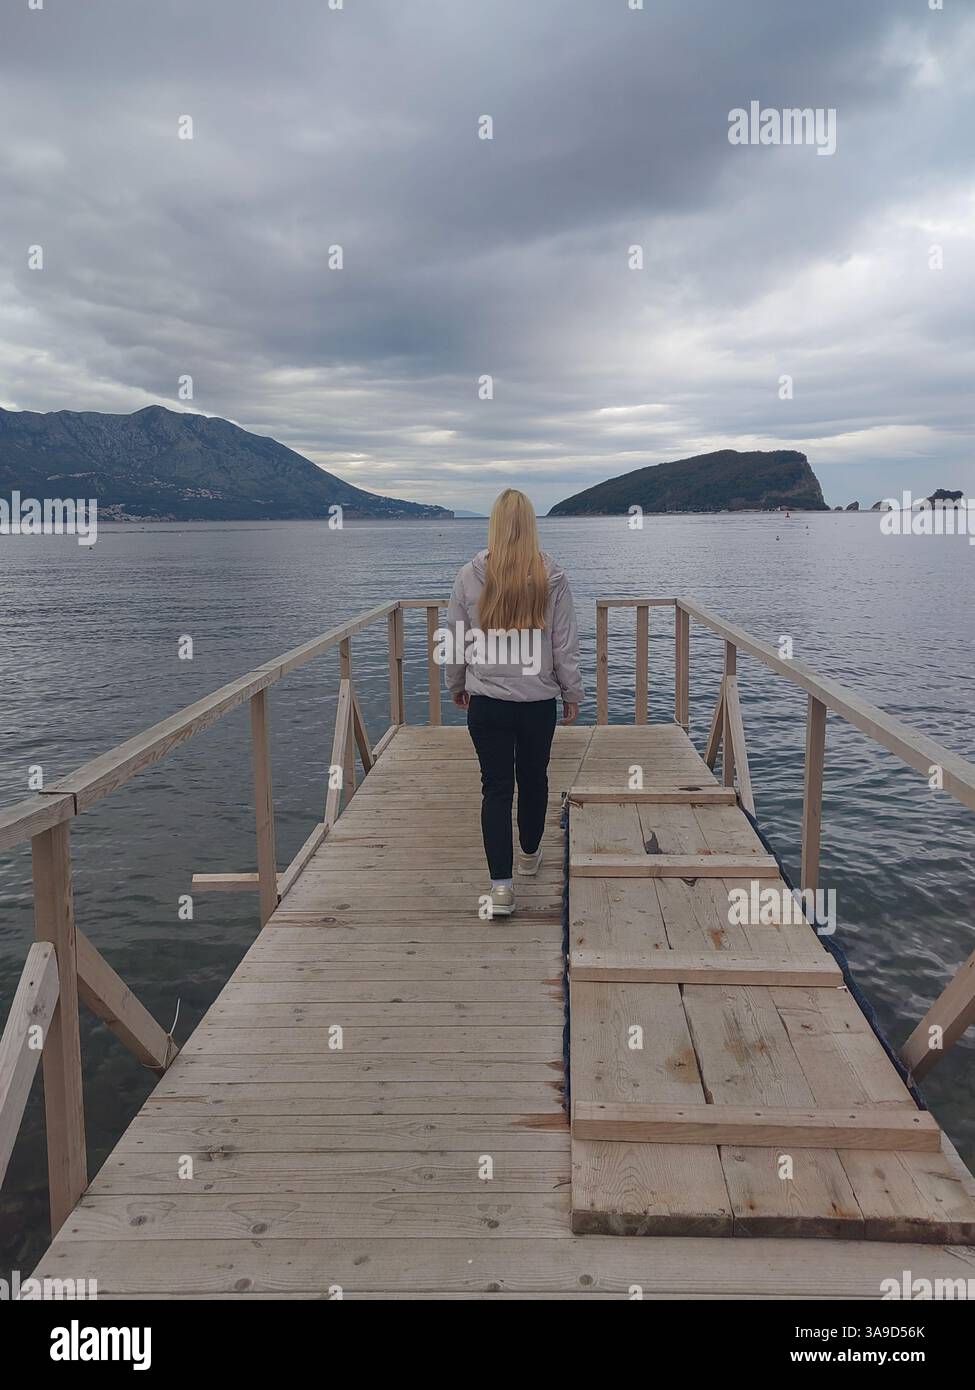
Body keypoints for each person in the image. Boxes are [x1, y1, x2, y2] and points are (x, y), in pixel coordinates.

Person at [446, 489, 584, 917]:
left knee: (496, 789)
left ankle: (501, 889)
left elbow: (455, 641)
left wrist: (456, 684)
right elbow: (564, 645)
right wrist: (572, 692)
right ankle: (528, 854)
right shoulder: (552, 577)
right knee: (534, 778)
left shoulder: (469, 575)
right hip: (537, 701)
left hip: (487, 701)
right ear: (531, 525)